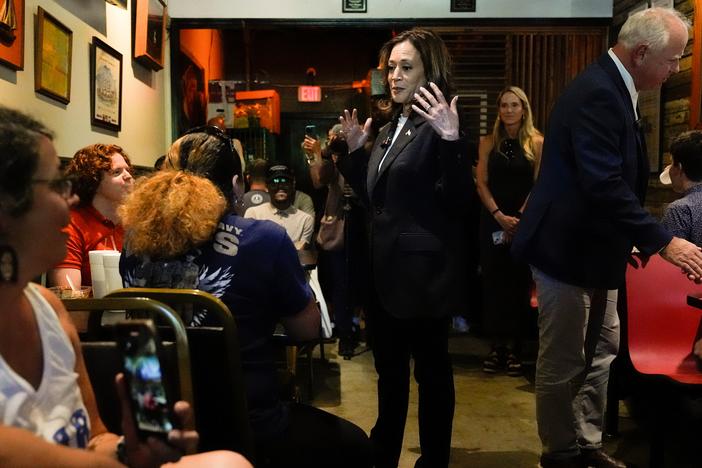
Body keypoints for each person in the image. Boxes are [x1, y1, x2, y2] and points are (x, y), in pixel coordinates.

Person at [0, 106, 250, 467]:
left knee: (230, 461)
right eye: (56, 184)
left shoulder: (50, 311)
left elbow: (95, 436)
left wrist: (128, 449)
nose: (71, 198)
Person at [511, 8, 702, 468]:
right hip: (566, 250)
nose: (675, 69)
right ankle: (560, 453)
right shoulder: (597, 91)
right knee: (565, 359)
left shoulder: (617, 83)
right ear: (641, 53)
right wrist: (663, 241)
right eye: (672, 60)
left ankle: (587, 443)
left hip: (597, 250)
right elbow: (603, 183)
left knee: (601, 351)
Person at [119, 126, 373, 468]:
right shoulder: (264, 238)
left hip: (154, 426)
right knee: (357, 445)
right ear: (237, 185)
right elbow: (307, 331)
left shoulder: (135, 240)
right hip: (248, 426)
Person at [338, 27, 473, 468]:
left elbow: (458, 203)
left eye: (405, 67)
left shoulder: (441, 122)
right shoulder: (391, 125)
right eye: (391, 67)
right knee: (389, 376)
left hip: (423, 277)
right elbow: (376, 199)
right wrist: (358, 151)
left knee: (432, 377)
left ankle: (433, 460)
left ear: (428, 70)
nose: (393, 76)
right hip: (383, 275)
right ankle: (384, 455)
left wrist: (452, 143)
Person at [476, 86, 543, 376]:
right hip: (493, 220)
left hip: (524, 222)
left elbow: (540, 184)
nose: (508, 110)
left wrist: (518, 218)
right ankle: (497, 347)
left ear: (524, 109)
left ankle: (516, 349)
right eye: (503, 105)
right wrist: (499, 216)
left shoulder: (538, 142)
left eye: (514, 105)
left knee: (519, 283)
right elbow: (481, 183)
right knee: (493, 285)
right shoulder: (488, 142)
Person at [303, 123, 359, 357]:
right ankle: (345, 332)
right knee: (339, 284)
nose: (334, 141)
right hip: (337, 231)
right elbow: (319, 180)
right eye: (331, 138)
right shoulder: (331, 159)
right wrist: (317, 154)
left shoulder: (361, 152)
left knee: (356, 283)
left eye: (338, 138)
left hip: (361, 227)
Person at [49, 143, 134, 289]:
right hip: (93, 310)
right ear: (93, 181)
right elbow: (71, 297)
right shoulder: (71, 224)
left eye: (128, 170)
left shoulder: (134, 221)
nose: (128, 176)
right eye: (117, 172)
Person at [244, 165, 314, 250]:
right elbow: (250, 247)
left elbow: (300, 248)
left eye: (285, 182)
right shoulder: (253, 214)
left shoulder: (305, 220)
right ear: (267, 187)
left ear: (293, 185)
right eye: (275, 182)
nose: (280, 187)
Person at [659, 130, 702, 247]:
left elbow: (669, 260)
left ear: (680, 167)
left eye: (672, 163)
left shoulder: (679, 210)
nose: (668, 168)